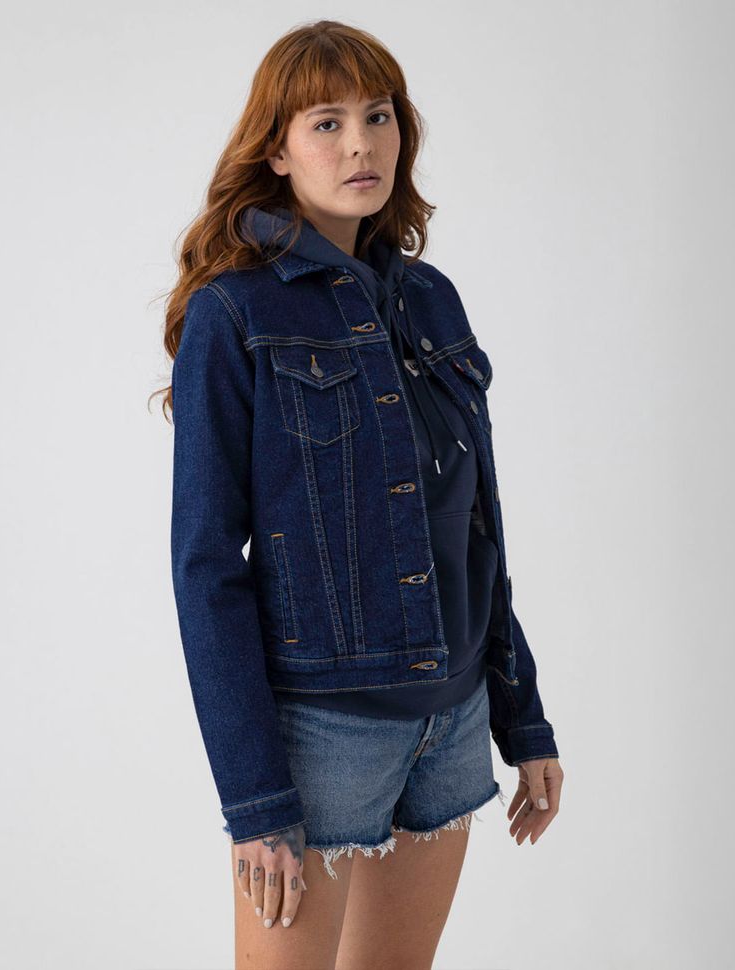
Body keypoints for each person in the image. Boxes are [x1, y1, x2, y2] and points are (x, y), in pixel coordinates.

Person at [158, 19, 564, 970]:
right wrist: (255, 798)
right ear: (276, 150)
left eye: (377, 117)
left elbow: (476, 530)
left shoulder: (430, 298)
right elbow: (206, 565)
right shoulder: (234, 311)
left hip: (453, 720)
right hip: (320, 734)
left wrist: (523, 716)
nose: (360, 146)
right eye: (326, 123)